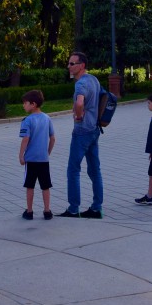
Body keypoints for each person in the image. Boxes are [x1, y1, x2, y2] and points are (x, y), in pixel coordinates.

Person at [60, 51, 104, 219]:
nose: (69, 67)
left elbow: (79, 102)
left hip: (82, 131)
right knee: (94, 169)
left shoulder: (81, 84)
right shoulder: (94, 79)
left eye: (72, 64)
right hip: (94, 129)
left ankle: (73, 208)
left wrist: (78, 116)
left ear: (82, 65)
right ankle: (96, 208)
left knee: (73, 169)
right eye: (69, 63)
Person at [18, 90, 55, 220]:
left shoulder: (27, 121)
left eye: (25, 103)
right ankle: (47, 211)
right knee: (45, 186)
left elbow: (25, 139)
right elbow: (53, 138)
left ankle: (29, 211)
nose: (23, 105)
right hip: (44, 159)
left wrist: (21, 155)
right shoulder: (47, 118)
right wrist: (48, 152)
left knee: (30, 186)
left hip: (31, 159)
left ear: (33, 104)